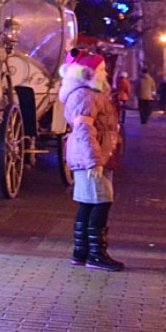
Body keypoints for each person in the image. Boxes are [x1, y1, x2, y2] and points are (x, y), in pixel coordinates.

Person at [60, 49, 124, 271]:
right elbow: (84, 130)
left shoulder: (90, 94)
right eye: (101, 69)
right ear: (88, 72)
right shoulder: (85, 95)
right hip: (91, 160)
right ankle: (96, 255)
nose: (105, 73)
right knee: (101, 201)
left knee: (89, 202)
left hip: (94, 157)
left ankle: (82, 252)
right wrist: (93, 160)